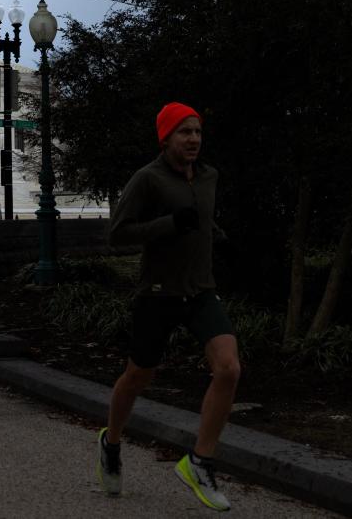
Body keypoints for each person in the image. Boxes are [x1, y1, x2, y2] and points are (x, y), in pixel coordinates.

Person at [97, 102, 239, 511]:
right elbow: (117, 234)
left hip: (199, 291)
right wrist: (169, 225)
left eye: (197, 131)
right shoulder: (148, 179)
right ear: (166, 138)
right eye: (184, 132)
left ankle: (200, 461)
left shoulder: (209, 176)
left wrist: (222, 239)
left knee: (229, 367)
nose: (193, 139)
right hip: (158, 293)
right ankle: (112, 441)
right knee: (138, 376)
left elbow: (201, 218)